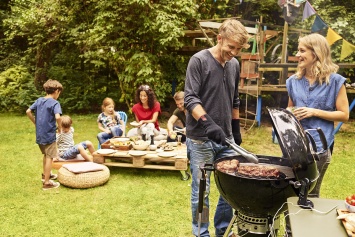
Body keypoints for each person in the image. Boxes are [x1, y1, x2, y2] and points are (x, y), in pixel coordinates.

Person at [184, 19, 249, 237]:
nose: (234, 52)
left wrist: (236, 128)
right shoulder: (199, 61)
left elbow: (235, 100)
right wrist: (207, 123)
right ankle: (201, 232)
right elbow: (190, 99)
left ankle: (224, 230)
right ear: (219, 39)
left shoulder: (234, 65)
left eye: (238, 49)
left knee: (229, 190)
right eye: (231, 47)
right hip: (201, 140)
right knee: (202, 192)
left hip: (227, 140)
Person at [286, 33, 349, 198]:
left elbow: (344, 114)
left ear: (316, 53)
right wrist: (287, 114)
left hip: (319, 149)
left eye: (302, 51)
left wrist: (314, 111)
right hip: (294, 147)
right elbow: (290, 108)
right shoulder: (293, 81)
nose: (298, 55)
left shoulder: (335, 81)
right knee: (289, 193)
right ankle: (289, 225)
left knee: (311, 194)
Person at [26, 79, 63, 190]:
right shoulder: (55, 103)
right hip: (49, 134)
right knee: (50, 156)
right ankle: (47, 183)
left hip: (40, 133)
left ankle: (46, 175)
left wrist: (35, 122)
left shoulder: (39, 100)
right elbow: (58, 117)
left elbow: (28, 111)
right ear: (56, 91)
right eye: (59, 93)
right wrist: (60, 128)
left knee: (45, 155)